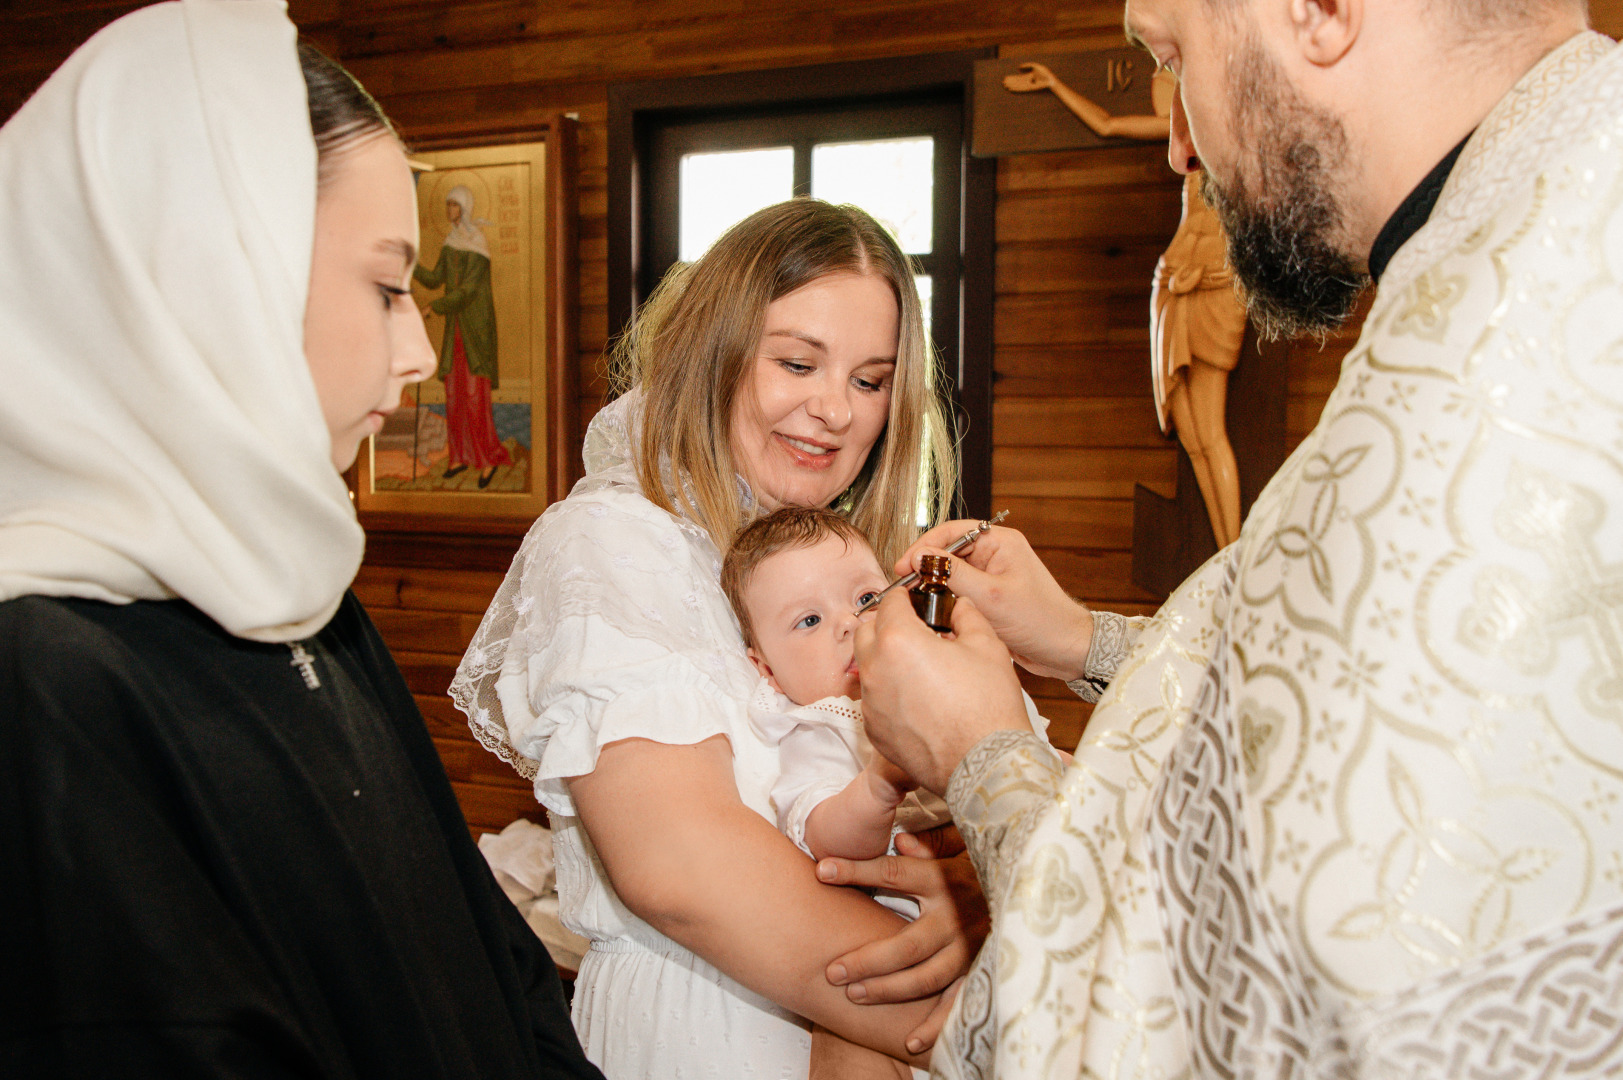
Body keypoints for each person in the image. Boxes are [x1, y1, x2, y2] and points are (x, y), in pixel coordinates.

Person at [849, 1, 1623, 1077]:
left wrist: (981, 758)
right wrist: (1081, 645)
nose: (1177, 139)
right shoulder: (1561, 234)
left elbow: (1197, 1022)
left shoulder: (1479, 388)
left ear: (1321, 10)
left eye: (1174, 54)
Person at [0, 4, 600, 1077]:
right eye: (382, 285)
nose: (417, 350)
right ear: (202, 281)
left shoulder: (309, 604)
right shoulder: (42, 684)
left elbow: (490, 959)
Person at [452, 199, 982, 1077]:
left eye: (869, 379)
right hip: (700, 1031)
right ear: (715, 349)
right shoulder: (615, 540)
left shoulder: (827, 568)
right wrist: (979, 1013)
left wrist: (951, 890)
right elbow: (681, 866)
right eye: (797, 362)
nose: (834, 410)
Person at [721, 506, 1056, 868]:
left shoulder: (936, 670)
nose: (851, 623)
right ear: (766, 669)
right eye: (810, 620)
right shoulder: (820, 728)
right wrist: (879, 785)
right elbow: (826, 841)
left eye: (866, 599)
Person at [1005, 62, 1249, 547]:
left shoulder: (1242, 131)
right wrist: (1056, 82)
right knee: (1192, 433)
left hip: (1217, 277)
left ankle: (1236, 552)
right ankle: (1229, 560)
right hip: (1175, 274)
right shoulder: (1186, 135)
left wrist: (1230, 268)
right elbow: (1108, 124)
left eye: (1170, 72)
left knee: (1212, 424)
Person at [414, 183, 511, 488]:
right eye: (447, 205)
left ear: (465, 208)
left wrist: (435, 306)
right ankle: (459, 456)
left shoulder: (478, 245)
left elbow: (468, 291)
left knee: (474, 395)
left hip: (475, 332)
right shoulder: (451, 242)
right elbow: (433, 279)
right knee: (455, 395)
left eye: (454, 205)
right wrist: (408, 261)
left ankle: (486, 459)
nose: (450, 211)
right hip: (455, 330)